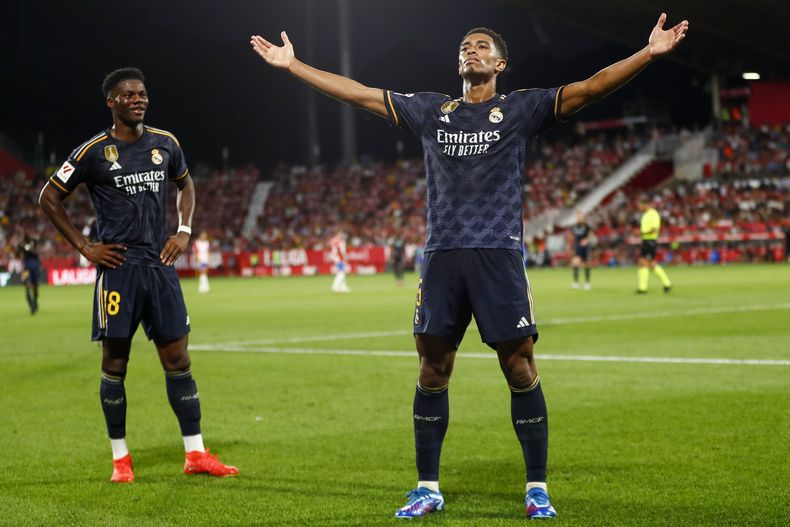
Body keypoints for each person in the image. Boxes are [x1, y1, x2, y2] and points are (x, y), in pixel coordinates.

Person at [251, 13, 688, 519]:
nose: (471, 50)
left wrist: (647, 54)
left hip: (499, 256)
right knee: (432, 370)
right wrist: (295, 66)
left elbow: (589, 89)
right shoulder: (433, 112)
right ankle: (427, 486)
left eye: (481, 46)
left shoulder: (521, 108)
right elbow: (361, 94)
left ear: (501, 63)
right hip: (442, 258)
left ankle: (537, 488)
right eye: (465, 45)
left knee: (519, 366)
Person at [38, 67, 238, 483]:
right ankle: (121, 459)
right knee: (115, 363)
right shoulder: (93, 151)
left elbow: (186, 186)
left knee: (179, 359)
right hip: (118, 270)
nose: (138, 99)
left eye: (142, 93)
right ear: (111, 101)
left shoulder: (166, 144)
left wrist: (184, 230)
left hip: (160, 267)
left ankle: (196, 453)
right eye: (128, 94)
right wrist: (85, 247)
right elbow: (49, 197)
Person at [636, 195, 672, 293]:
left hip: (650, 241)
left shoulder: (653, 214)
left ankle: (643, 288)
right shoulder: (646, 214)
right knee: (650, 264)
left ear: (645, 204)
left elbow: (654, 229)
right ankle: (667, 283)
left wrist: (642, 233)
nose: (639, 207)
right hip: (646, 241)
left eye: (640, 205)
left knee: (644, 263)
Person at [18, 229, 42, 314]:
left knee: (35, 286)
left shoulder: (34, 242)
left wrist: (28, 249)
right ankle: (31, 306)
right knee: (27, 286)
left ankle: (35, 301)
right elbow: (18, 251)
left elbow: (37, 252)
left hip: (35, 266)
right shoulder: (21, 244)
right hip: (26, 267)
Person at [569, 210, 593, 290]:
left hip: (585, 249)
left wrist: (587, 240)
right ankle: (575, 283)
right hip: (577, 248)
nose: (579, 218)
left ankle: (587, 283)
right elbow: (570, 236)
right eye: (578, 216)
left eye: (581, 216)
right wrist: (571, 246)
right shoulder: (574, 227)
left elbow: (590, 236)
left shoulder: (587, 226)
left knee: (587, 265)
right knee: (575, 264)